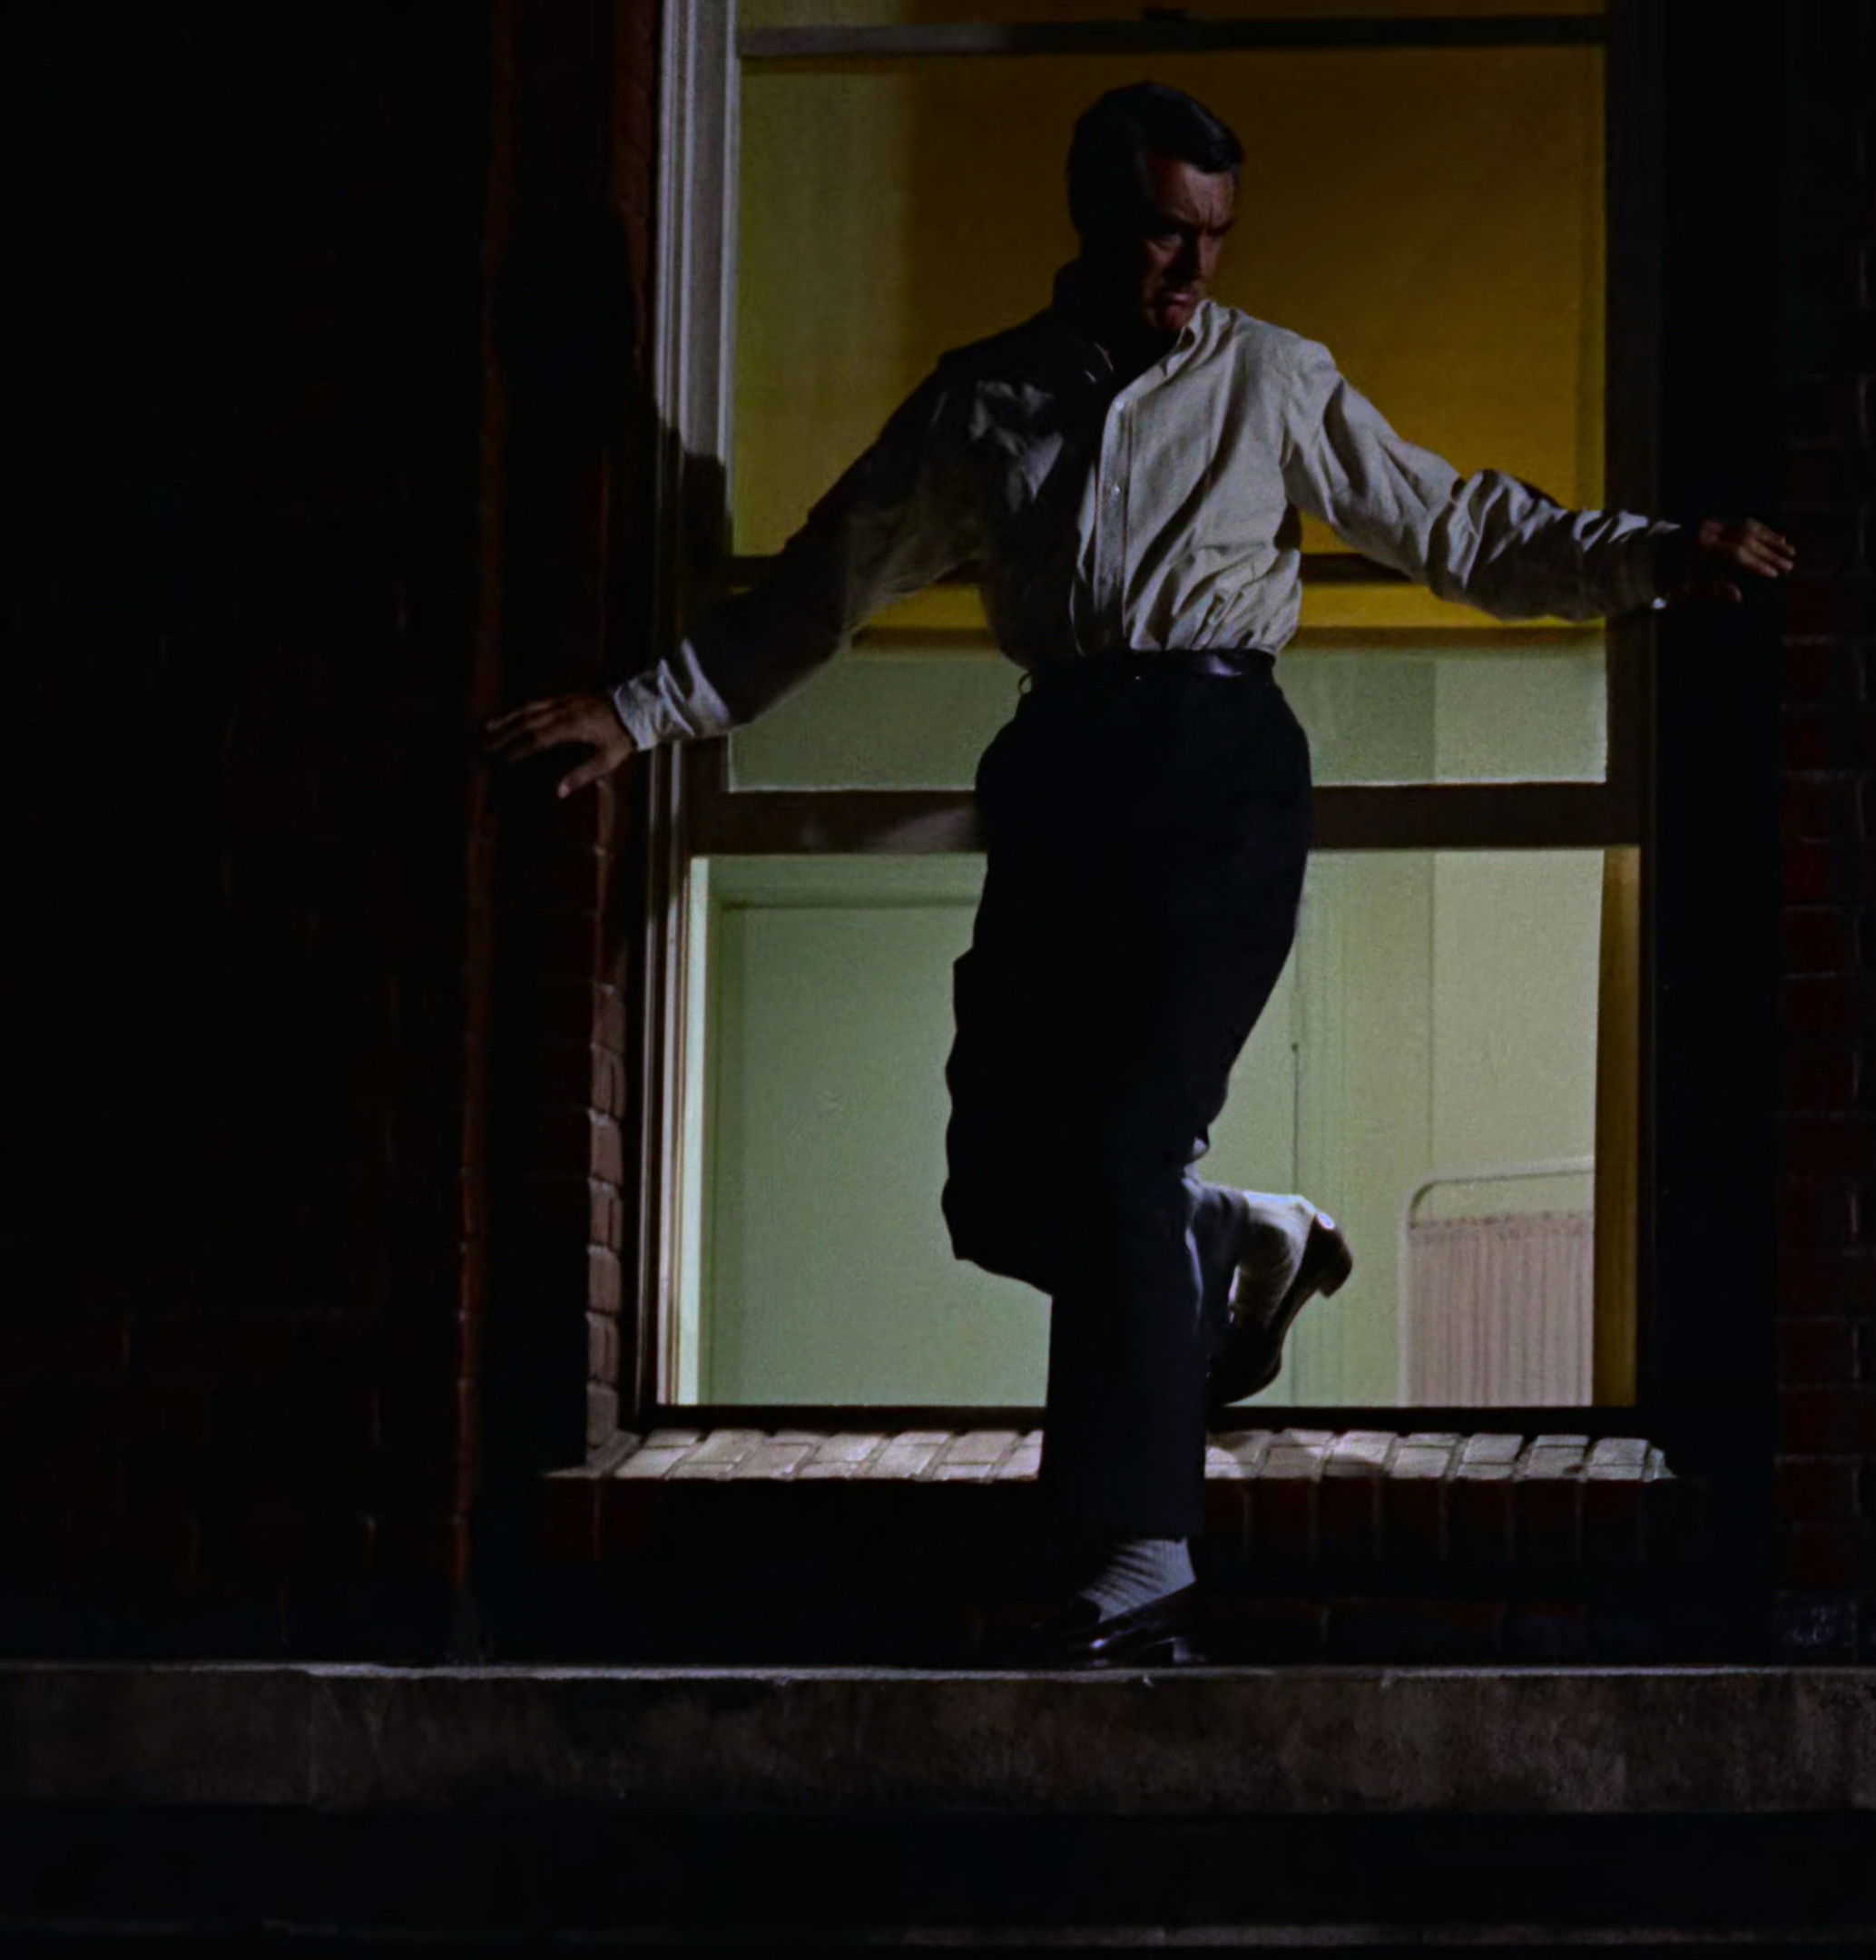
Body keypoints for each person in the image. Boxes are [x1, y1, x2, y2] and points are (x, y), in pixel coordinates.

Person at [482, 82, 1793, 1666]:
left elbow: (1455, 526)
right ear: (1095, 218)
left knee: (1120, 1150)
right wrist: (636, 712)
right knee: (998, 1190)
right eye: (1166, 234)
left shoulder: (1271, 377)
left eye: (1215, 238)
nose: (1193, 268)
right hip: (1061, 769)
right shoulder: (986, 399)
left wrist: (1652, 557)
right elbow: (817, 592)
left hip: (1214, 768)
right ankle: (1232, 1232)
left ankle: (1142, 1548)